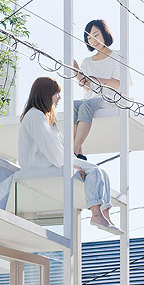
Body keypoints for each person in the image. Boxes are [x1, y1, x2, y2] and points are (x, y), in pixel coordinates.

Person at [19, 76, 124, 235]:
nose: (59, 98)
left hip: (53, 161)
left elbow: (59, 146)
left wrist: (71, 161)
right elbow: (51, 148)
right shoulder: (35, 116)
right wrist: (69, 164)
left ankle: (105, 215)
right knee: (94, 171)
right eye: (56, 94)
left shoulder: (45, 118)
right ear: (46, 94)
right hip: (40, 164)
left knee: (101, 172)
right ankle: (96, 214)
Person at [72, 19, 130, 160]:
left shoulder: (118, 56)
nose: (93, 40)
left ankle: (73, 150)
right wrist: (76, 71)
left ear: (105, 33)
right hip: (91, 99)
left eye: (96, 35)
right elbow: (87, 87)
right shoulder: (87, 62)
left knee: (86, 106)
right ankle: (79, 153)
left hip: (110, 99)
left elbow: (120, 84)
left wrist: (96, 79)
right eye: (89, 38)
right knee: (72, 105)